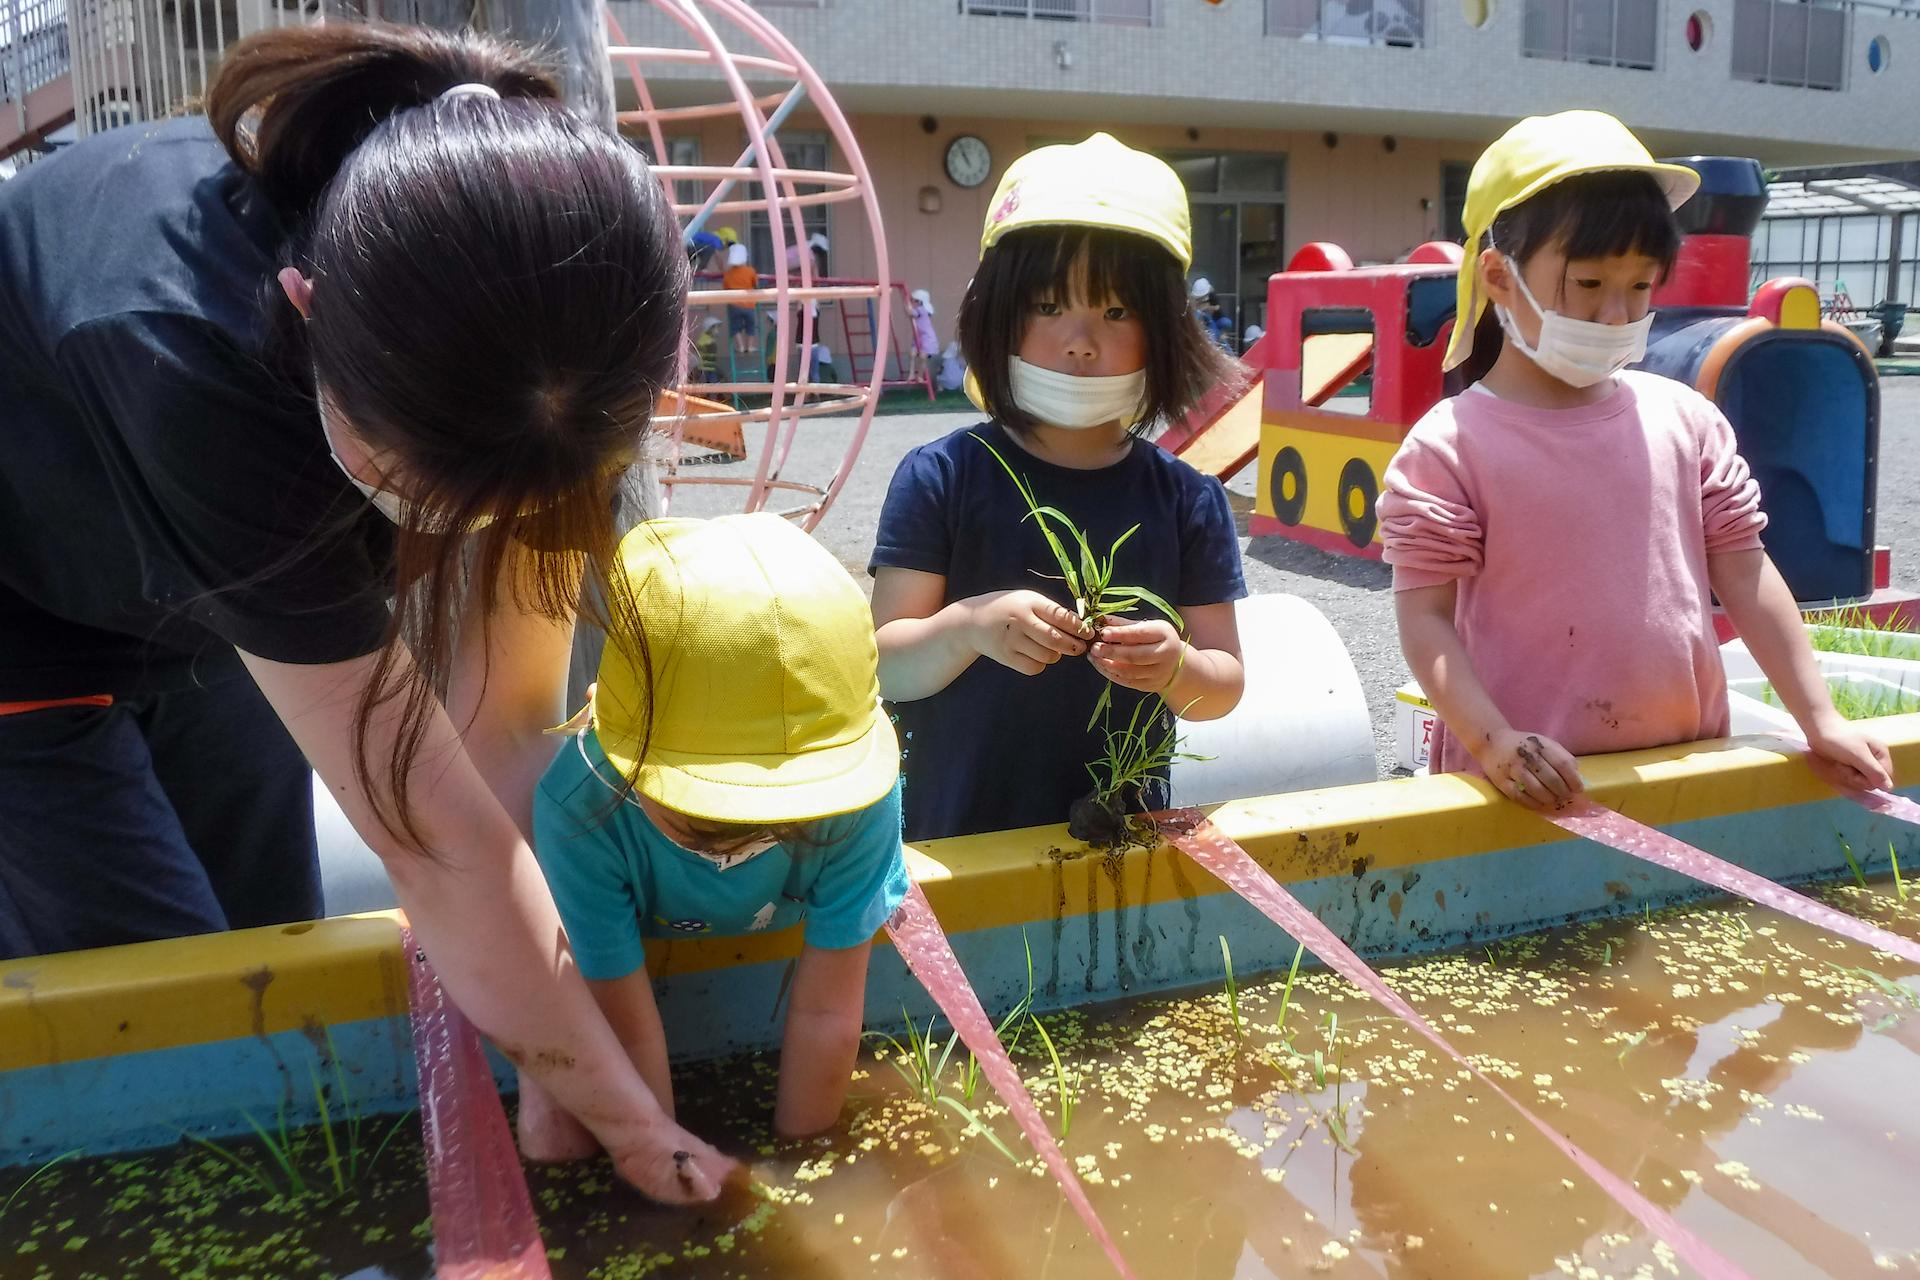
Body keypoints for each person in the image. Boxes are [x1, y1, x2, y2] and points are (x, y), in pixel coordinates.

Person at [0, 23, 713, 1202]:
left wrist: (568, 1047)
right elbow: (432, 835)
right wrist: (636, 1128)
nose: (457, 530)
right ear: (305, 305)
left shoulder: (548, 357)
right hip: (26, 591)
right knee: (166, 1008)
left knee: (269, 953)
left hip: (212, 594)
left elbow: (510, 729)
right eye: (433, 491)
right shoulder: (180, 340)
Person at [1379, 111, 1893, 809]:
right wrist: (1494, 738)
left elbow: (1745, 572)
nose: (1618, 315)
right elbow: (1426, 619)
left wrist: (1819, 716)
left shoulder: (1685, 420)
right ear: (1499, 278)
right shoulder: (1450, 446)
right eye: (1588, 286)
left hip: (1687, 768)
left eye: (1642, 287)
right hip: (1522, 792)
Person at [869, 133, 1248, 841]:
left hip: (1121, 851)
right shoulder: (941, 477)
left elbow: (1222, 685)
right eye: (1047, 306)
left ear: (1166, 331)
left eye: (1115, 312)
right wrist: (971, 626)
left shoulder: (1188, 499)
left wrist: (1175, 666)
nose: (1079, 340)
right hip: (959, 847)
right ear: (997, 316)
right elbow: (885, 664)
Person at [525, 514, 907, 1185]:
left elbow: (826, 1013)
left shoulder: (860, 798)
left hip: (789, 911)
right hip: (631, 936)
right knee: (558, 1135)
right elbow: (629, 1029)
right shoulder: (581, 809)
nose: (744, 839)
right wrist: (669, 1174)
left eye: (778, 817)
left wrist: (801, 1162)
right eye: (704, 812)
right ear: (629, 759)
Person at [723, 241, 759, 357]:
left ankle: (741, 346)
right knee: (751, 326)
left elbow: (726, 287)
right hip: (749, 304)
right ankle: (749, 346)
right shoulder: (750, 271)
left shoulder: (728, 274)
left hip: (734, 304)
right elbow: (755, 284)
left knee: (735, 326)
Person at [908, 287, 940, 382]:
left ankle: (920, 375)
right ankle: (912, 373)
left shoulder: (921, 310)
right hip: (918, 336)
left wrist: (907, 305)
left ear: (920, 302)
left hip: (927, 338)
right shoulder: (920, 309)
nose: (913, 302)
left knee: (923, 357)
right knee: (912, 354)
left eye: (915, 301)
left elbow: (911, 313)